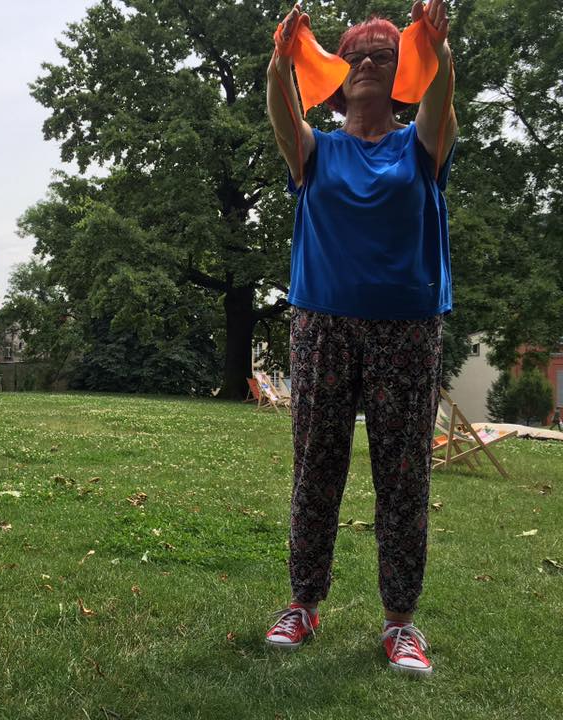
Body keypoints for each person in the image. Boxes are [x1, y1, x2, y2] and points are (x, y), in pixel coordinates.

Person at [264, 1, 457, 677]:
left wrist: (438, 50)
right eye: (356, 55)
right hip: (323, 324)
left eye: (383, 54)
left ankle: (401, 622)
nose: (369, 62)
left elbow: (441, 104)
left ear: (403, 72)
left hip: (407, 328)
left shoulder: (420, 147)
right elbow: (282, 114)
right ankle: (303, 604)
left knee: (403, 475)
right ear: (339, 75)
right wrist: (281, 62)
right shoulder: (318, 150)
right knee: (316, 467)